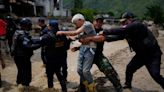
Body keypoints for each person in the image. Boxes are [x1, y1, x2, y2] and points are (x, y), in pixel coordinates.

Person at [81, 12, 164, 90]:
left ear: (130, 19)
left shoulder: (137, 25)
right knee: (130, 68)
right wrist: (105, 38)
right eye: (122, 22)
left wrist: (105, 32)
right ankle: (128, 84)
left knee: (155, 74)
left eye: (125, 21)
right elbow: (117, 37)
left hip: (152, 55)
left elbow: (122, 30)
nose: (123, 24)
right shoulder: (128, 30)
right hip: (141, 55)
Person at [57, 13, 97, 92]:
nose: (75, 25)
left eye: (75, 23)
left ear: (80, 20)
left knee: (85, 71)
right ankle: (86, 86)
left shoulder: (87, 24)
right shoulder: (82, 28)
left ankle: (92, 88)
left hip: (90, 49)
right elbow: (75, 37)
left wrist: (61, 32)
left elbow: (75, 33)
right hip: (83, 48)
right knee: (79, 70)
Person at [11, 18, 40, 92]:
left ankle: (19, 84)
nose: (30, 26)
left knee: (21, 71)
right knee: (26, 73)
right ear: (25, 26)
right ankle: (25, 87)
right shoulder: (22, 36)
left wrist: (41, 39)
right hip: (22, 57)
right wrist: (41, 44)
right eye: (29, 25)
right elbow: (29, 46)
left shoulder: (20, 32)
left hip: (19, 56)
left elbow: (31, 40)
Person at [40, 20, 68, 92]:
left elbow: (40, 43)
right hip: (59, 59)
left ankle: (51, 89)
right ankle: (64, 90)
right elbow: (66, 47)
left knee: (50, 77)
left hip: (50, 60)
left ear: (50, 26)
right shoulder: (62, 35)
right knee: (59, 74)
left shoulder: (47, 36)